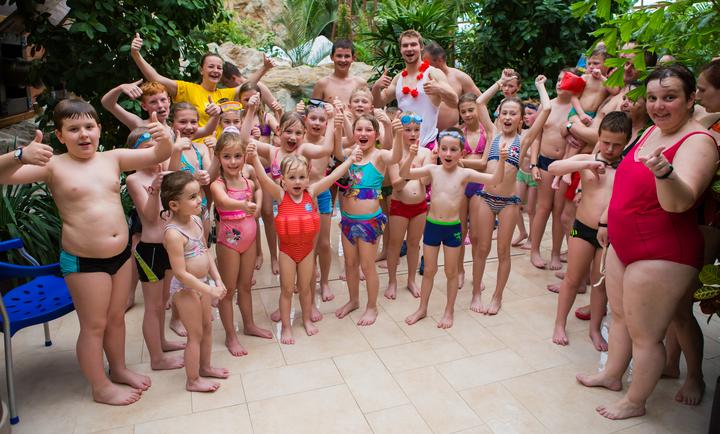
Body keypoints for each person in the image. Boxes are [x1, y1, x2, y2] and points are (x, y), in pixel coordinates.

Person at [0, 99, 172, 405]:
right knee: (94, 326)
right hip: (84, 261)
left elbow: (158, 154)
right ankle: (100, 386)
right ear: (60, 135)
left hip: (120, 256)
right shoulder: (53, 166)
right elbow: (3, 176)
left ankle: (118, 369)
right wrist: (20, 155)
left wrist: (165, 138)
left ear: (99, 129)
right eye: (74, 129)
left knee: (116, 318)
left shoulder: (113, 158)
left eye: (89, 126)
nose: (83, 134)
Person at [577, 64, 718, 420]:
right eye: (653, 97)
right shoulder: (652, 131)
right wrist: (607, 219)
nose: (658, 105)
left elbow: (680, 202)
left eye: (669, 97)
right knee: (620, 318)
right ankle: (612, 374)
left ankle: (636, 401)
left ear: (691, 99)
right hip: (623, 243)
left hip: (663, 250)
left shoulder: (699, 141)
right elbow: (625, 182)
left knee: (646, 334)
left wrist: (666, 174)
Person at [248, 142, 362, 344]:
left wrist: (351, 160)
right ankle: (286, 327)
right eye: (292, 177)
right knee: (286, 290)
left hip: (307, 252)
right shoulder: (280, 195)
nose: (297, 181)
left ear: (308, 178)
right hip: (287, 252)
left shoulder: (312, 192)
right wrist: (255, 158)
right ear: (283, 181)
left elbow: (333, 177)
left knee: (306, 288)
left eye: (302, 177)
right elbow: (264, 179)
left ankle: (307, 320)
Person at [402, 127, 507, 328]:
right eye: (444, 149)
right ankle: (422, 308)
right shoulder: (432, 170)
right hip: (432, 226)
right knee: (429, 270)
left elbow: (495, 179)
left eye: (453, 149)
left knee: (451, 272)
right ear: (438, 150)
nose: (448, 154)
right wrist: (411, 157)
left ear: (462, 152)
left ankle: (449, 311)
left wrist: (502, 160)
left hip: (452, 228)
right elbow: (405, 173)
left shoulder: (464, 174)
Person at [466, 74, 551, 315]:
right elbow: (480, 102)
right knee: (482, 248)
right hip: (486, 198)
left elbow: (546, 109)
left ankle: (497, 296)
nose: (507, 117)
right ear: (499, 115)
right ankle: (476, 293)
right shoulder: (493, 134)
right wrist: (499, 84)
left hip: (508, 202)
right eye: (504, 113)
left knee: (503, 251)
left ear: (521, 119)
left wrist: (540, 86)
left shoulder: (523, 141)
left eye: (513, 114)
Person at [548, 112, 631, 350]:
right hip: (581, 230)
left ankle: (595, 330)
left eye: (617, 145)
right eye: (605, 142)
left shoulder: (627, 166)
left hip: (610, 235)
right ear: (599, 137)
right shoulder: (587, 159)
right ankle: (559, 324)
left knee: (599, 284)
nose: (610, 149)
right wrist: (586, 164)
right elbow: (554, 167)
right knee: (572, 278)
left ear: (626, 142)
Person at [162, 171, 229, 392]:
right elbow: (180, 273)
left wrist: (217, 279)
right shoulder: (173, 234)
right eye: (192, 197)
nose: (199, 199)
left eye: (198, 194)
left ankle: (205, 367)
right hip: (185, 289)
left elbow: (206, 252)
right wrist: (208, 290)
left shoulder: (197, 220)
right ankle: (192, 380)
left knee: (207, 327)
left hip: (202, 283)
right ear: (174, 205)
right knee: (195, 334)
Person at [125, 128, 186, 370]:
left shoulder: (165, 171)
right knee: (153, 306)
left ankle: (162, 342)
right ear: (135, 154)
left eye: (157, 148)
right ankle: (156, 358)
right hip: (150, 250)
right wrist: (155, 190)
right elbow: (150, 218)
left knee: (163, 300)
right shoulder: (134, 180)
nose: (155, 153)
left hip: (170, 247)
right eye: (148, 149)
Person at [335, 114, 403, 325]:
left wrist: (398, 134)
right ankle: (353, 300)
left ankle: (372, 306)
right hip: (348, 220)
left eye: (368, 130)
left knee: (367, 265)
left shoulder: (380, 156)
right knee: (350, 263)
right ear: (353, 133)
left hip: (369, 222)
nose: (363, 133)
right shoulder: (350, 154)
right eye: (359, 129)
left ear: (376, 134)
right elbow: (336, 153)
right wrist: (337, 128)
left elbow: (396, 157)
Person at [210, 128, 272, 357]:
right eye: (227, 156)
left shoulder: (247, 181)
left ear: (244, 157)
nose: (233, 161)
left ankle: (249, 324)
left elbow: (259, 189)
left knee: (245, 286)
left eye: (237, 156)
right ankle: (231, 336)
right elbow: (223, 201)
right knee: (228, 290)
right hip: (229, 243)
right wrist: (243, 206)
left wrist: (257, 205)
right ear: (218, 157)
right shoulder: (219, 184)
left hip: (249, 239)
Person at [130, 33, 275, 127]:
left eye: (219, 68)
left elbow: (248, 85)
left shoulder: (226, 94)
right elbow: (156, 79)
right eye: (211, 66)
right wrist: (136, 55)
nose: (215, 70)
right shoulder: (186, 89)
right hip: (196, 148)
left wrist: (264, 68)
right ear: (201, 70)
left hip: (221, 152)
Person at [371, 29, 458, 149]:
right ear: (401, 50)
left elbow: (454, 101)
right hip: (403, 147)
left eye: (413, 44)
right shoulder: (398, 78)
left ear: (421, 47)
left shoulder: (432, 73)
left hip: (427, 145)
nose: (409, 48)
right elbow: (377, 103)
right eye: (405, 45)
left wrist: (439, 89)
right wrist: (376, 87)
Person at [528, 68, 576, 270]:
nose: (559, 83)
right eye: (558, 79)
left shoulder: (577, 109)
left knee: (559, 211)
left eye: (565, 80)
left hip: (565, 164)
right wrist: (533, 163)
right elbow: (535, 136)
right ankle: (534, 250)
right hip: (545, 163)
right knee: (543, 208)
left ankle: (556, 253)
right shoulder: (547, 106)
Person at [384, 112, 432, 300]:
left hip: (419, 207)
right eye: (408, 130)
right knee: (394, 244)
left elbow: (426, 180)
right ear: (400, 131)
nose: (413, 134)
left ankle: (411, 280)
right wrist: (411, 161)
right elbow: (396, 185)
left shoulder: (426, 153)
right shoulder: (394, 154)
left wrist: (411, 170)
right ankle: (392, 281)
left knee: (414, 244)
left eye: (416, 130)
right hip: (399, 206)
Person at [456, 92, 487, 288]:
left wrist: (462, 161)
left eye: (470, 110)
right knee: (460, 232)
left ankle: (477, 274)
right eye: (463, 111)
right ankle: (459, 270)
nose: (467, 114)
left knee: (476, 235)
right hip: (461, 185)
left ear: (478, 109)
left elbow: (484, 164)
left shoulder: (487, 132)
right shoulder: (459, 133)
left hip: (479, 186)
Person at [422, 42, 481, 130]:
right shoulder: (422, 78)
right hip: (425, 132)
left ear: (439, 60)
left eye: (426, 62)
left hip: (453, 133)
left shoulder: (460, 77)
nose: (423, 65)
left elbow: (481, 101)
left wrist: (466, 126)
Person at [512, 100, 540, 248]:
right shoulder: (521, 132)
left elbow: (537, 155)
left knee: (531, 210)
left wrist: (525, 152)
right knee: (514, 205)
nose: (526, 116)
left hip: (534, 176)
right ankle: (522, 232)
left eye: (530, 113)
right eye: (525, 114)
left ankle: (532, 239)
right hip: (521, 173)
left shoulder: (539, 133)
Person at [312, 39, 368, 105]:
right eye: (339, 56)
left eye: (347, 56)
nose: (343, 60)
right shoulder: (322, 84)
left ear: (353, 58)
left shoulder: (360, 83)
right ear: (332, 57)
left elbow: (369, 107)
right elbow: (313, 109)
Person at [101, 81, 171, 131]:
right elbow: (107, 103)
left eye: (163, 100)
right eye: (153, 102)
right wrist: (120, 88)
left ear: (169, 101)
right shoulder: (140, 125)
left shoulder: (174, 129)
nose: (160, 105)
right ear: (144, 106)